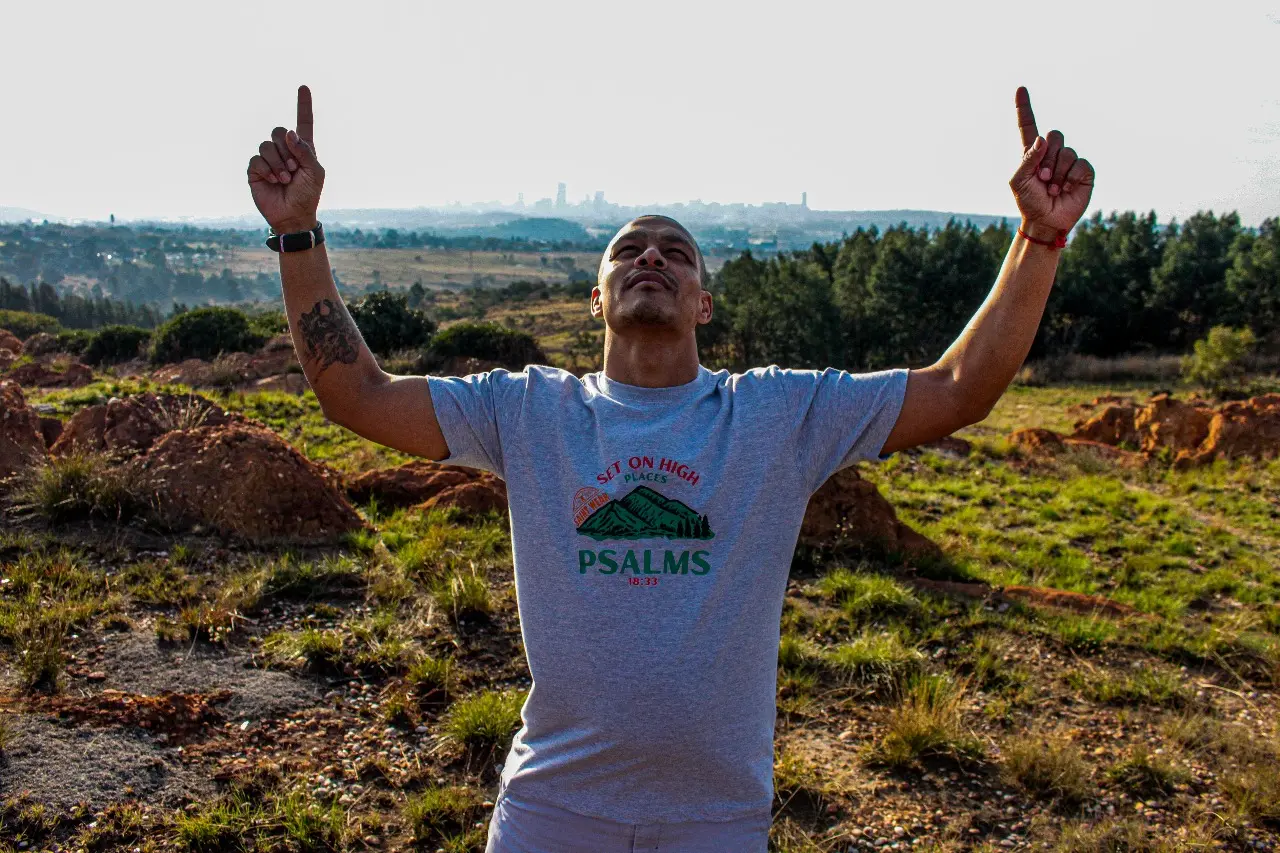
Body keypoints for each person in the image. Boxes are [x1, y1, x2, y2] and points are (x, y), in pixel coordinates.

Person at [247, 84, 1093, 853]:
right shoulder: (531, 410)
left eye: (676, 253)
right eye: (628, 250)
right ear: (596, 298)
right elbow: (355, 392)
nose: (651, 257)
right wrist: (296, 232)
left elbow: (960, 386)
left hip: (716, 816)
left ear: (703, 303)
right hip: (552, 806)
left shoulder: (777, 414)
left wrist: (1039, 237)